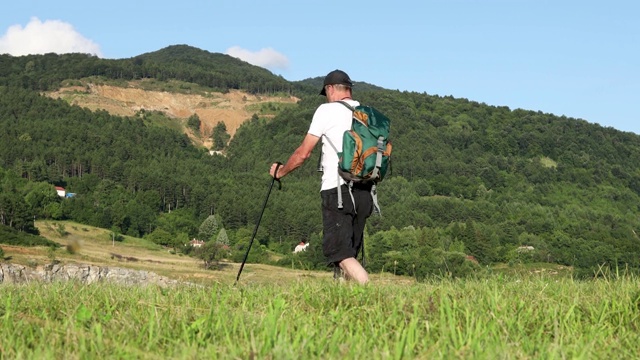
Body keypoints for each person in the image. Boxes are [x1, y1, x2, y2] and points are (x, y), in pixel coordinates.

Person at [269, 69, 373, 284]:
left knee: (340, 254)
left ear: (330, 89)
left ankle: (372, 294)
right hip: (365, 191)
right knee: (348, 254)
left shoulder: (326, 111)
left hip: (338, 190)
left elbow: (303, 153)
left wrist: (280, 172)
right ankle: (343, 306)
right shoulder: (367, 114)